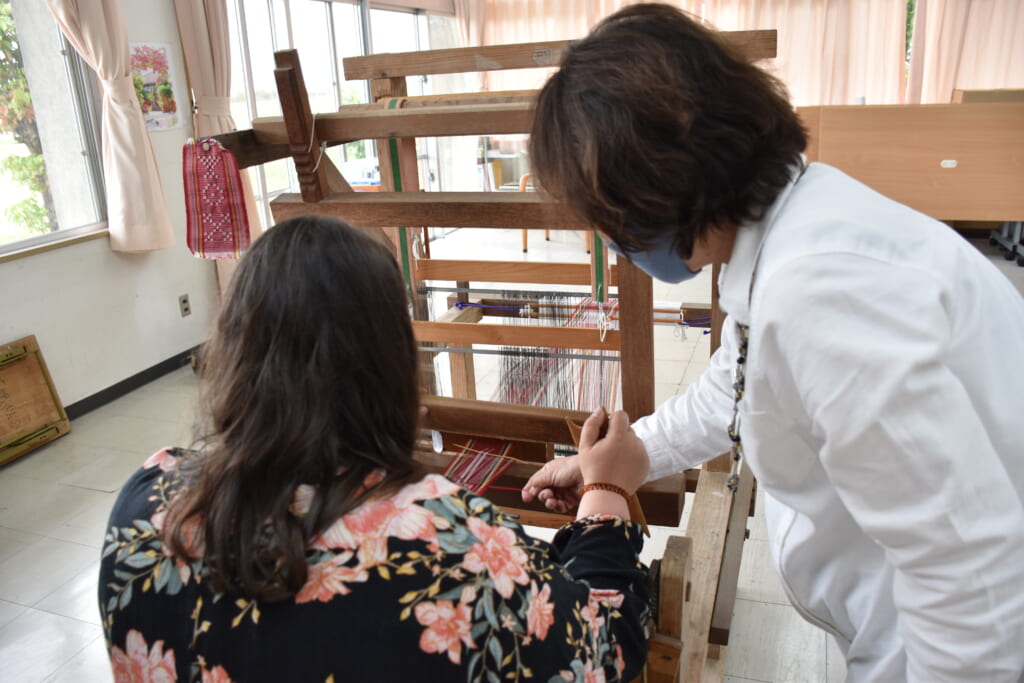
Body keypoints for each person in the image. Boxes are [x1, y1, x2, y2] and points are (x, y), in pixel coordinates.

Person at [521, 4, 1024, 682]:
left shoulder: (823, 294)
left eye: (604, 219)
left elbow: (969, 582)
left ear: (650, 188)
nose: (609, 241)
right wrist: (624, 459)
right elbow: (734, 384)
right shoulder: (793, 235)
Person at [98, 215, 651, 682]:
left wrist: (540, 558)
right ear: (388, 361)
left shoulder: (145, 506)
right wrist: (606, 494)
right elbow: (604, 651)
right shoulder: (447, 543)